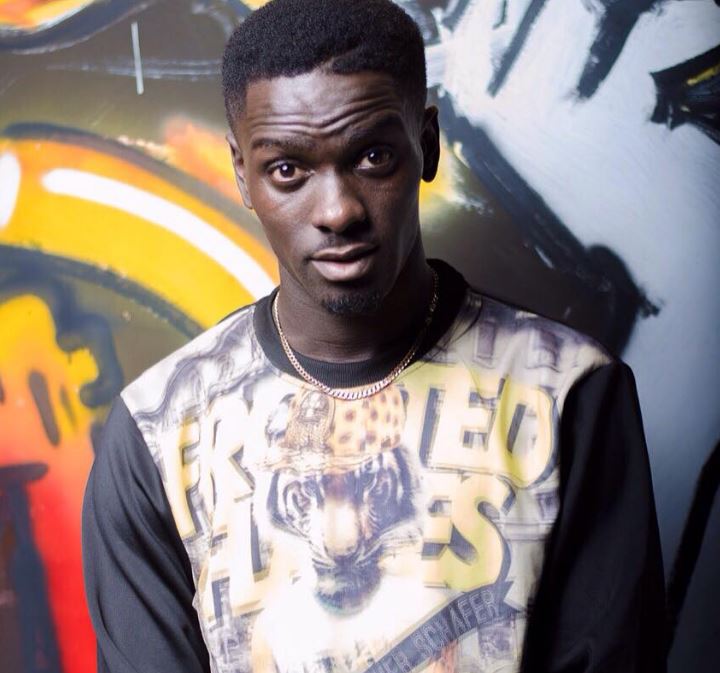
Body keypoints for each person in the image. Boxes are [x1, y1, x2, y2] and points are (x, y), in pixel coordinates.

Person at [81, 1, 667, 671]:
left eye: (372, 156)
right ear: (243, 172)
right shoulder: (159, 435)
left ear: (427, 144)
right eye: (287, 170)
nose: (338, 211)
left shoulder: (568, 394)